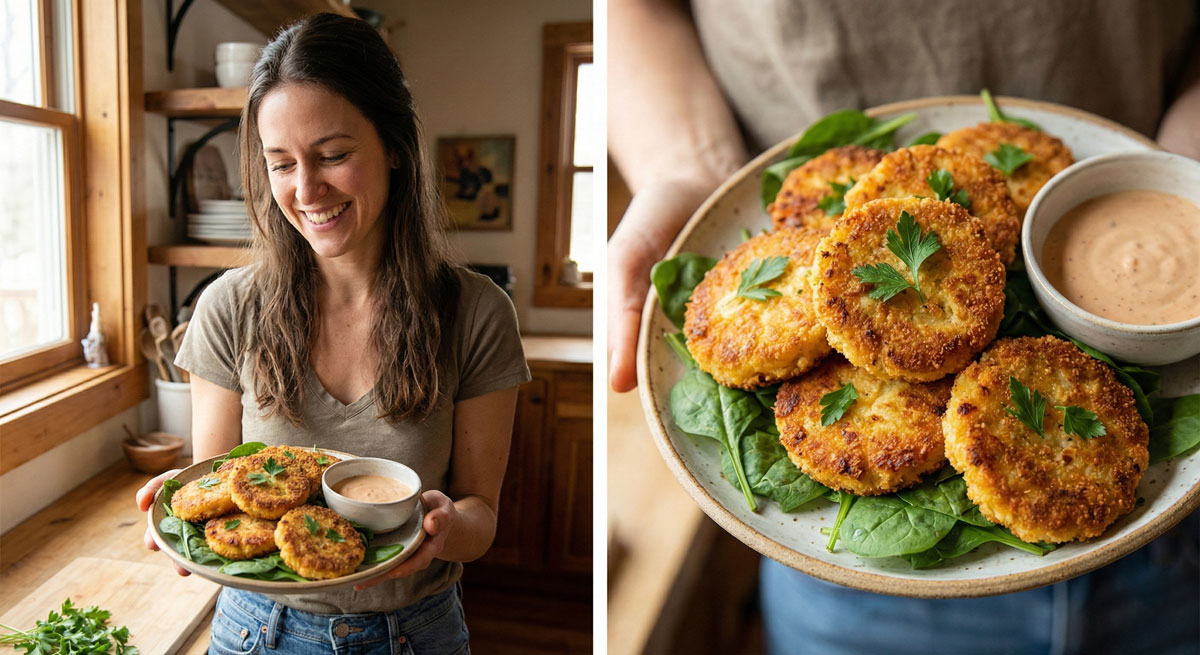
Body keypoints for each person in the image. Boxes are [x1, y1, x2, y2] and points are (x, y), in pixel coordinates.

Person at [608, 1, 1200, 653]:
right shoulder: (860, 259)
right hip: (851, 589)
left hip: (1173, 555)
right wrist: (687, 166)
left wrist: (1182, 165)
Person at [135, 13, 530, 653]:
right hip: (253, 630)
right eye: (281, 163)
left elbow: (480, 517)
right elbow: (213, 487)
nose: (306, 189)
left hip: (414, 631)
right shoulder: (227, 309)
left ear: (395, 146)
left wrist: (442, 526)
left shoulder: (477, 312)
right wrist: (175, 511)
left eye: (334, 155)